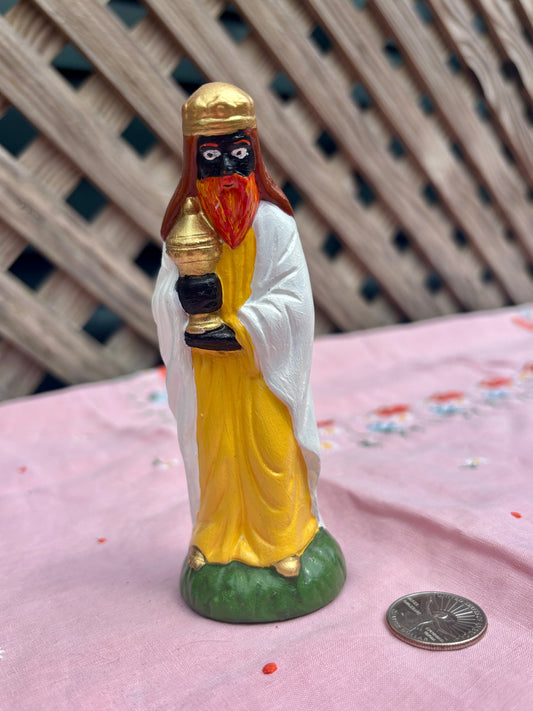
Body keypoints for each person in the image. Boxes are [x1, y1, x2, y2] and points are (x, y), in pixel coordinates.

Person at [152, 83, 344, 621]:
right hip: (210, 373)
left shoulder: (275, 225)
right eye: (211, 158)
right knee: (217, 456)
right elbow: (163, 294)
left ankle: (286, 541)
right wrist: (183, 302)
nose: (228, 169)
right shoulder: (185, 227)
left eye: (239, 153)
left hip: (260, 368)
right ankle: (216, 542)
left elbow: (295, 300)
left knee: (270, 453)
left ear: (254, 153)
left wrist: (243, 328)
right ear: (193, 161)